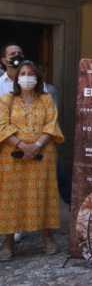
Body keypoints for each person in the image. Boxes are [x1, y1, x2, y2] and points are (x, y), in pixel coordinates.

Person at [0, 61, 64, 261]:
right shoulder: (7, 99)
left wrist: (36, 145)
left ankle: (47, 237)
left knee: (43, 194)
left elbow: (52, 124)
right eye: (23, 73)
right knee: (11, 197)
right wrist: (22, 145)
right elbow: (2, 125)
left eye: (31, 73)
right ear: (17, 77)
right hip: (13, 157)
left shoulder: (46, 99)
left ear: (37, 78)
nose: (27, 77)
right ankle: (8, 241)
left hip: (42, 154)